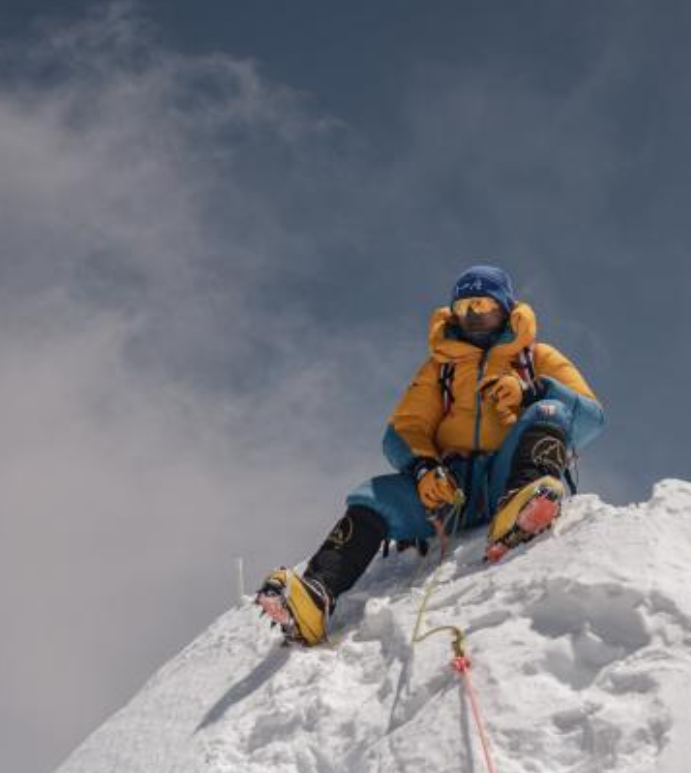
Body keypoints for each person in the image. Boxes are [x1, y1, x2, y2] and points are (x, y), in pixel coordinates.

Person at [257, 264, 606, 646]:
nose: (474, 317)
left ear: (506, 309)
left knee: (551, 411)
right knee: (373, 497)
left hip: (511, 472)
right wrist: (423, 467)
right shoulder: (440, 368)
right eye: (465, 309)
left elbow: (589, 416)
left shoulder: (535, 356)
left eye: (483, 306)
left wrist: (531, 392)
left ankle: (523, 504)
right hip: (451, 490)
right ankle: (315, 594)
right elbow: (404, 429)